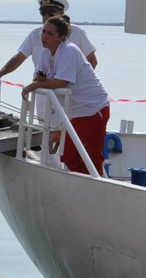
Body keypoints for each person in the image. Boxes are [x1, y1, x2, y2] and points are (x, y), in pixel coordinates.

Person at [24, 15, 111, 176]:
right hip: (76, 111)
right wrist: (39, 81)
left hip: (93, 108)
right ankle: (81, 185)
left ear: (62, 37)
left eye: (50, 34)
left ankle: (92, 189)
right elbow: (40, 75)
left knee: (90, 157)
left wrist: (35, 85)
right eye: (43, 32)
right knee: (69, 156)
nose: (44, 37)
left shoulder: (70, 50)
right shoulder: (46, 52)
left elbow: (62, 82)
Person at [0, 0, 97, 91]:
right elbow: (19, 57)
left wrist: (74, 85)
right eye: (43, 12)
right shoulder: (36, 35)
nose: (46, 16)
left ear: (62, 12)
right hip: (44, 94)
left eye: (50, 12)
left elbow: (92, 61)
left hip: (69, 96)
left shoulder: (77, 33)